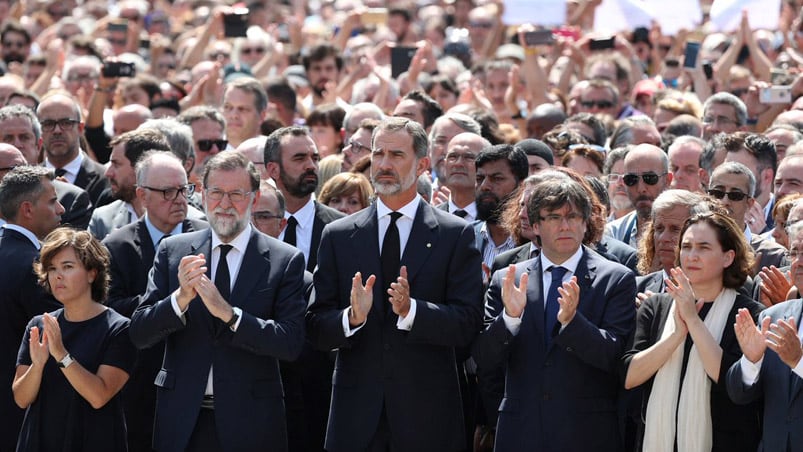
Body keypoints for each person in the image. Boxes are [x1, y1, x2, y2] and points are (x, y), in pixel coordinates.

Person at [307, 117, 483, 451]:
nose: (385, 165)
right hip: (356, 419)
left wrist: (412, 310)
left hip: (427, 418)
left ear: (423, 165)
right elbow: (315, 326)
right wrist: (351, 318)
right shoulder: (340, 235)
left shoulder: (454, 235)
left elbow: (468, 324)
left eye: (397, 155)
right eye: (378, 154)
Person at [129, 151, 307, 451]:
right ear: (201, 193)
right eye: (216, 193)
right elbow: (139, 333)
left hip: (251, 422)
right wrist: (179, 299)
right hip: (183, 419)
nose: (225, 204)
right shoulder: (173, 252)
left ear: (254, 197)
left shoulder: (284, 259)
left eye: (236, 194)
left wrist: (231, 315)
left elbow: (290, 342)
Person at [473, 177, 636, 451]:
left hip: (587, 434)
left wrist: (573, 323)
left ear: (585, 223)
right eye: (553, 217)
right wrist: (510, 319)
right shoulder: (508, 279)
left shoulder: (615, 279)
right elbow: (484, 358)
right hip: (521, 432)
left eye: (573, 216)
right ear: (535, 226)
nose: (565, 225)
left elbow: (614, 357)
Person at [623, 211, 764, 451]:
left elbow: (730, 382)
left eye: (703, 247)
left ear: (728, 257)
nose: (692, 256)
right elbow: (630, 376)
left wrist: (693, 320)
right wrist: (676, 335)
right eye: (686, 247)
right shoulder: (656, 306)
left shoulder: (747, 313)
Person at [102, 151, 208, 452]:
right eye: (167, 192)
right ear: (141, 195)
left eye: (184, 189)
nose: (179, 199)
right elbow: (112, 311)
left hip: (195, 377)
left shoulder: (206, 237)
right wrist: (169, 301)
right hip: (139, 380)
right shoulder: (117, 246)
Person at [12, 227, 135, 451]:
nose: (57, 276)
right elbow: (21, 398)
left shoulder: (118, 328)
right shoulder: (39, 325)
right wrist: (37, 366)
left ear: (92, 273)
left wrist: (61, 354)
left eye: (67, 267)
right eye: (51, 269)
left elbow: (99, 396)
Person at [0, 166, 64, 451]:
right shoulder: (36, 266)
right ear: (27, 209)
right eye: (52, 201)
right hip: (22, 414)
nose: (61, 209)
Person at [727, 219, 803, 451]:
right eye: (794, 252)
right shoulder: (774, 316)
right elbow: (739, 395)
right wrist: (751, 361)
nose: (798, 263)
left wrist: (799, 363)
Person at [264, 126, 345, 272]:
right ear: (273, 170)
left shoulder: (341, 228)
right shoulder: (254, 224)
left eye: (315, 158)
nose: (311, 166)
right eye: (299, 158)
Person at [37, 92, 109, 205]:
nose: (57, 130)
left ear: (80, 128)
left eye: (66, 123)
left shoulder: (106, 179)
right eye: (48, 124)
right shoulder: (28, 182)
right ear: (39, 131)